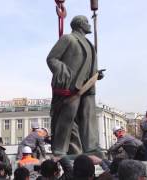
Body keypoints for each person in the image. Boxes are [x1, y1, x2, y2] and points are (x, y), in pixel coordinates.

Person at [47, 15, 105, 156]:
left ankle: (91, 148)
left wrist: (96, 74)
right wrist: (63, 72)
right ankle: (60, 149)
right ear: (80, 24)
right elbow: (52, 58)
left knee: (88, 118)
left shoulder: (89, 43)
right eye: (86, 22)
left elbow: (88, 65)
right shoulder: (68, 39)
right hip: (72, 87)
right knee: (67, 117)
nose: (89, 25)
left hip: (88, 86)